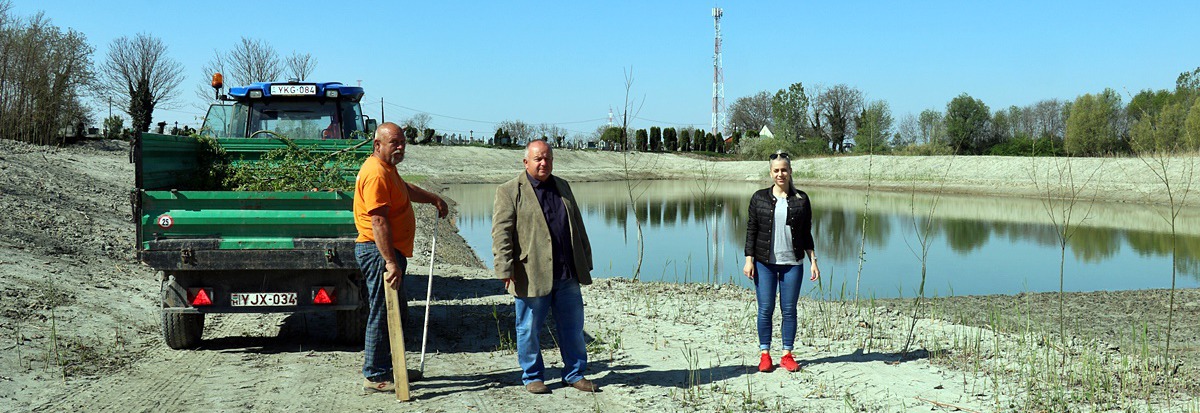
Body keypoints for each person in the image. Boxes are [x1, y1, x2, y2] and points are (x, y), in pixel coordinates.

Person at [491, 140, 597, 394]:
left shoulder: (563, 186)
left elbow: (577, 226)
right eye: (538, 158)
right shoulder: (508, 191)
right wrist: (504, 269)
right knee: (528, 328)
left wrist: (586, 260)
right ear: (525, 161)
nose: (543, 163)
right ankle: (532, 376)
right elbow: (501, 233)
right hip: (530, 273)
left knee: (572, 328)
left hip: (567, 273)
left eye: (547, 158)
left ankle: (574, 373)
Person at [353, 122, 447, 393]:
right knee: (383, 313)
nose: (400, 147)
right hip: (378, 251)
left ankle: (394, 369)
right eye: (394, 142)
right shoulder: (375, 174)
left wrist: (432, 198)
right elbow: (379, 221)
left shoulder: (388, 170)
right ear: (377, 145)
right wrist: (390, 261)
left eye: (402, 142)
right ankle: (374, 376)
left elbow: (405, 190)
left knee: (397, 312)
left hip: (387, 251)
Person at [742, 150, 821, 373]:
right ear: (770, 173)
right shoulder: (759, 198)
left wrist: (813, 260)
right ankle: (765, 354)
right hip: (764, 262)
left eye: (784, 170)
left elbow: (806, 232)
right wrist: (749, 260)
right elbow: (752, 230)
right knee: (765, 308)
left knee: (789, 310)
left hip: (793, 263)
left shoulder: (801, 199)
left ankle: (787, 354)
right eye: (776, 170)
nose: (780, 174)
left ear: (790, 171)